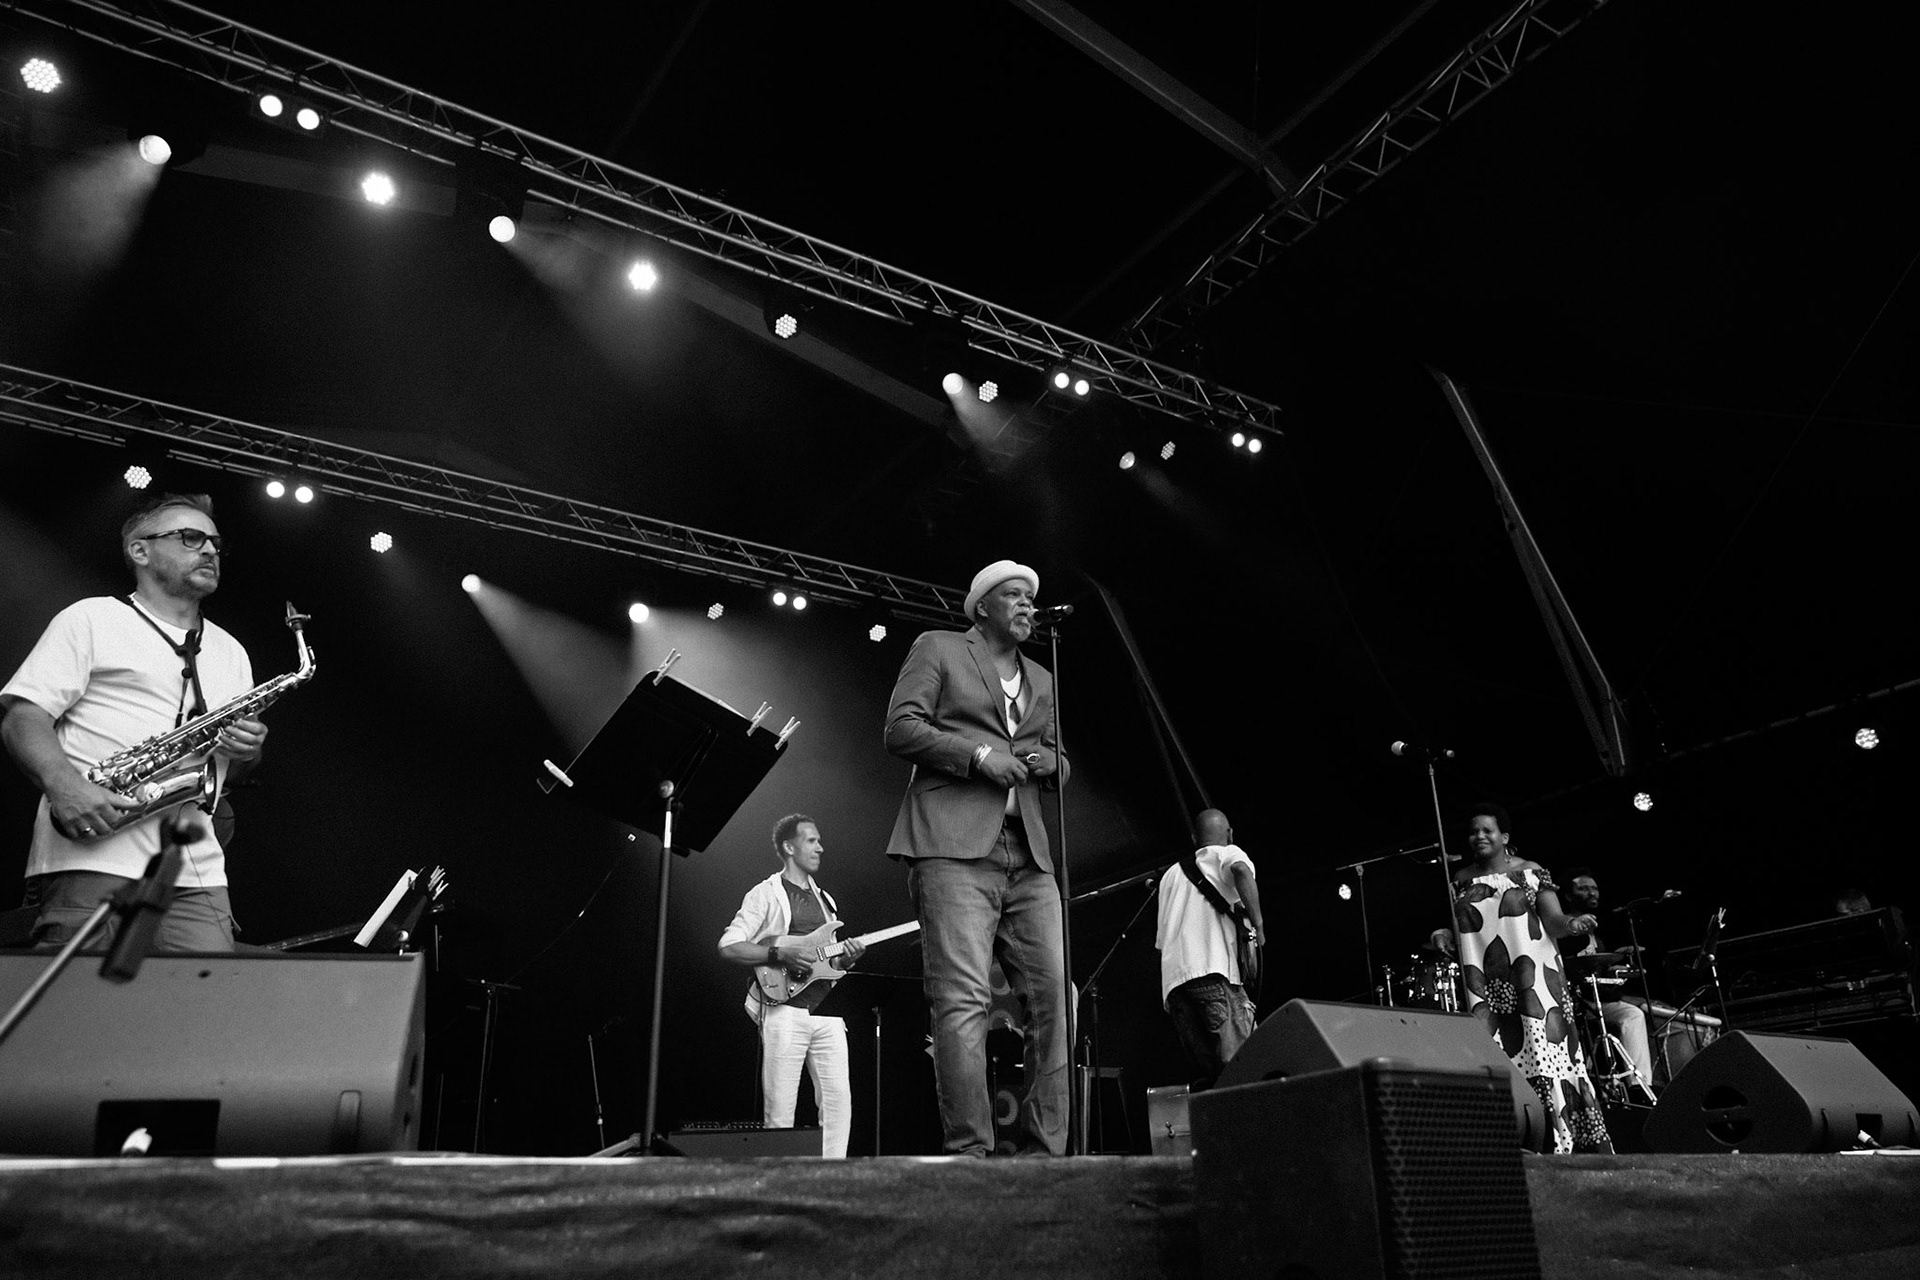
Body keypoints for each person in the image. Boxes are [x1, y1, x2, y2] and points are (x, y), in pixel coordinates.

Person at [1, 493, 264, 952]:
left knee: (204, 994)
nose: (209, 550)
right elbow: (23, 718)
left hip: (195, 871)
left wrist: (247, 749)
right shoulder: (91, 619)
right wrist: (66, 788)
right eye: (190, 537)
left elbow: (236, 773)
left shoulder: (232, 651)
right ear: (140, 551)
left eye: (215, 542)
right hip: (92, 855)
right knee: (83, 995)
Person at [883, 558, 1069, 1157]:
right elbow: (900, 728)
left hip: (1029, 853)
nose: (1027, 605)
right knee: (964, 1001)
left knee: (1055, 999)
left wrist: (1050, 764)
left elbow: (1060, 758)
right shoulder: (939, 648)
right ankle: (971, 1154)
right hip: (953, 848)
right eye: (1013, 595)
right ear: (982, 606)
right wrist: (979, 756)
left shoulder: (1042, 675)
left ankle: (1046, 1154)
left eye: (1030, 599)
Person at [1447, 802, 1611, 1153]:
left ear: (1504, 837)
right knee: (1496, 1056)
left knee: (1542, 1051)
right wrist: (1441, 933)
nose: (1479, 836)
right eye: (1473, 831)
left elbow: (1553, 920)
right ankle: (1513, 1144)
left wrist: (1572, 924)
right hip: (1486, 984)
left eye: (1487, 830)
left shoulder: (1530, 871)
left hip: (1535, 980)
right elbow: (1461, 925)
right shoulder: (1460, 880)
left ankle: (1564, 1143)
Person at [717, 814, 866, 1158]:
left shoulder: (827, 901)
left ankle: (830, 1177)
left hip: (827, 1013)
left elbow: (829, 964)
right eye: (812, 841)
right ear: (789, 847)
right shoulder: (765, 893)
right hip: (784, 1012)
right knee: (780, 1113)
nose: (820, 848)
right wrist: (779, 953)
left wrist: (847, 960)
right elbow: (728, 946)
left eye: (819, 841)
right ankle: (778, 1182)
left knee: (839, 1108)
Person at [1155, 808, 1266, 1089]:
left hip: (1175, 988)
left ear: (1195, 838)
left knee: (1210, 1078)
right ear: (1230, 834)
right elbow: (1240, 870)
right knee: (1246, 1064)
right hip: (1212, 973)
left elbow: (1160, 941)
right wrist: (1259, 925)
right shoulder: (1227, 853)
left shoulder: (1169, 876)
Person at [1557, 868, 1657, 1103]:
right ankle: (1629, 1087)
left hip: (1598, 998)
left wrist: (1614, 968)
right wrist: (1617, 994)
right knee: (1632, 1012)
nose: (1592, 893)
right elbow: (1573, 970)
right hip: (1577, 1000)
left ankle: (1642, 1085)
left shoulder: (1596, 933)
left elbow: (1595, 969)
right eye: (1583, 889)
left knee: (1635, 1014)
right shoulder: (1565, 929)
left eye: (1594, 888)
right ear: (1569, 896)